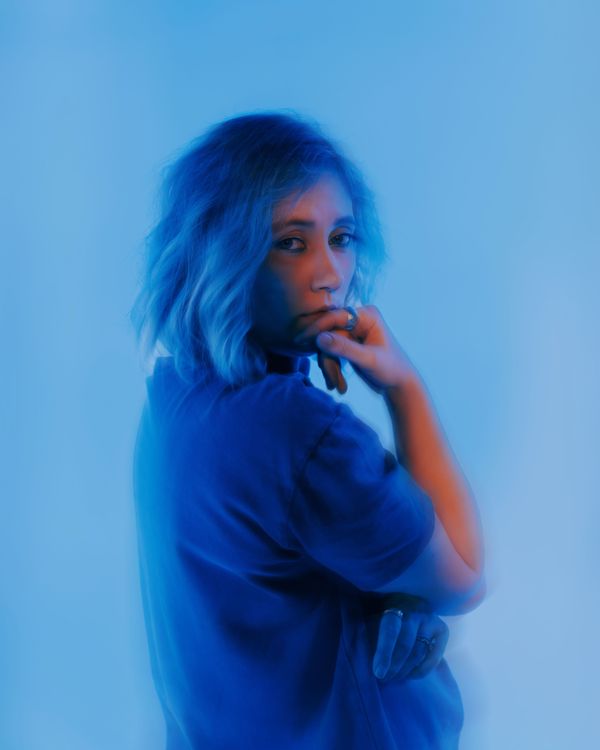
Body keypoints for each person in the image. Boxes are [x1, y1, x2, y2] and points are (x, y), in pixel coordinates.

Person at [130, 110, 486, 749]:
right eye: (292, 243)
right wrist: (403, 388)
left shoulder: (173, 393)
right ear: (225, 253)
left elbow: (271, 578)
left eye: (341, 238)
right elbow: (462, 576)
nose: (329, 275)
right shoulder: (296, 430)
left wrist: (393, 599)